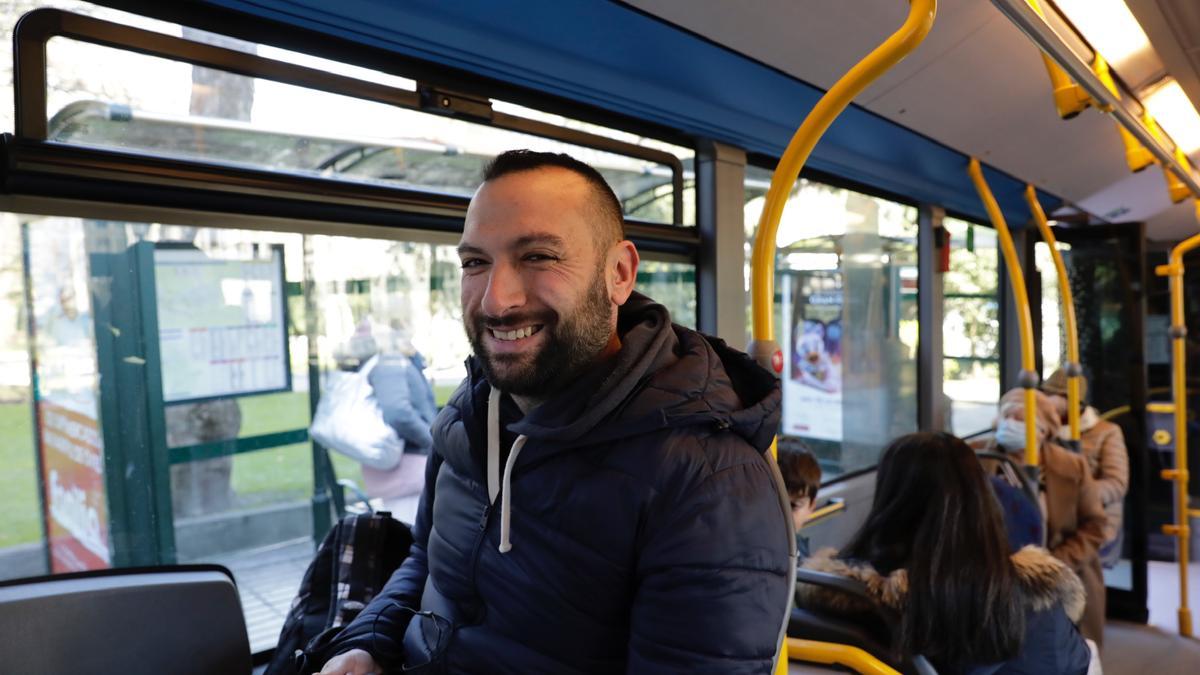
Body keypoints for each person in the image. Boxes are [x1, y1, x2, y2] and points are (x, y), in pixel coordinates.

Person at [314, 150, 793, 674]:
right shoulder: (468, 416)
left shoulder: (707, 481)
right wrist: (366, 645)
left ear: (619, 273)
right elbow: (427, 562)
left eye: (538, 256)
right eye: (475, 262)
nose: (496, 301)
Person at [795, 432, 1092, 674]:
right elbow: (1074, 663)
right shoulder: (1033, 602)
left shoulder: (833, 597)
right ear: (982, 500)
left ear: (890, 502)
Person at [971, 388, 1107, 646]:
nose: (1010, 424)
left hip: (1063, 569)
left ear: (1043, 430)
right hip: (992, 574)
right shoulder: (977, 457)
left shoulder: (1072, 466)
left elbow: (1096, 525)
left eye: (1020, 419)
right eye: (1006, 416)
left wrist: (1051, 565)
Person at [1042, 369, 1129, 568]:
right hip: (1054, 520)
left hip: (1091, 518)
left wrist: (1076, 494)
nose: (1046, 402)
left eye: (1051, 396)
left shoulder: (1106, 432)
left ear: (1070, 400)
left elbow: (1117, 484)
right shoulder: (1043, 428)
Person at [777, 445, 822, 558]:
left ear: (812, 506)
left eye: (793, 505)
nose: (782, 514)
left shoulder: (801, 551)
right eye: (774, 503)